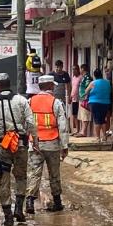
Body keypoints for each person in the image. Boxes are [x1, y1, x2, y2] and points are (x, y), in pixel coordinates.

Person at [0, 73, 38, 226]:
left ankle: (8, 216)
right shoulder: (22, 100)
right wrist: (36, 141)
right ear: (8, 84)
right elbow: (31, 123)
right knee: (21, 177)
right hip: (20, 145)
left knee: (4, 179)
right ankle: (19, 209)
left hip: (2, 146)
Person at [25, 75, 69, 214]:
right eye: (53, 85)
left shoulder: (30, 101)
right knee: (54, 173)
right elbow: (62, 126)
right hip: (52, 143)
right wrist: (65, 146)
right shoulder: (56, 103)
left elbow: (25, 123)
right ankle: (57, 202)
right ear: (50, 86)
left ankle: (30, 202)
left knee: (34, 173)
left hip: (35, 143)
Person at [83, 69, 112, 142]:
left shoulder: (93, 83)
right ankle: (104, 137)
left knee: (97, 120)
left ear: (95, 76)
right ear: (101, 74)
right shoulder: (107, 82)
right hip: (106, 103)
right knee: (103, 120)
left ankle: (98, 138)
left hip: (94, 103)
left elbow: (86, 92)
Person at [74, 64, 93, 137]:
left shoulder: (87, 77)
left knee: (85, 115)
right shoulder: (84, 77)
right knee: (82, 115)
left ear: (83, 69)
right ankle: (82, 131)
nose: (80, 70)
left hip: (85, 99)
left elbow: (89, 87)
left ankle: (83, 132)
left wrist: (85, 96)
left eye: (81, 69)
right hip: (82, 98)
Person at [70, 64, 82, 134]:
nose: (74, 71)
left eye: (75, 69)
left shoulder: (81, 78)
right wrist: (70, 97)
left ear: (78, 70)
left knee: (78, 115)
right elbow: (72, 88)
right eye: (73, 69)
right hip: (73, 99)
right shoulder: (73, 77)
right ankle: (76, 130)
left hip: (79, 99)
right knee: (74, 115)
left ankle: (79, 130)